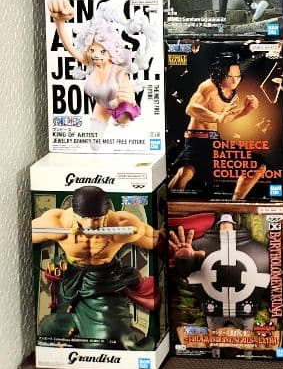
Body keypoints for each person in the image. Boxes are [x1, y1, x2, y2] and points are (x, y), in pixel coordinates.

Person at [32, 185, 160, 348]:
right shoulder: (59, 222)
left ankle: (108, 327)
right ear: (74, 213)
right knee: (53, 328)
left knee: (109, 341)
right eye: (84, 218)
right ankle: (71, 325)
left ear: (106, 213)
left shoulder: (120, 224)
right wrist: (56, 232)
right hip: (71, 278)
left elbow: (153, 240)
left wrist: (152, 236)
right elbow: (25, 234)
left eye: (97, 219)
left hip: (103, 281)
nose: (90, 224)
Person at [168, 52, 266, 200]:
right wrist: (217, 117)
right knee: (185, 173)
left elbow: (225, 119)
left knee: (258, 165)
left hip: (215, 141)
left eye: (238, 76)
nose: (235, 81)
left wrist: (245, 111)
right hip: (197, 140)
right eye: (230, 76)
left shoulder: (232, 95)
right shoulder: (209, 86)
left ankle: (235, 204)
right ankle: (169, 205)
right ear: (221, 73)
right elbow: (191, 108)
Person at [47, 0, 152, 134]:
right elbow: (69, 47)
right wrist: (59, 22)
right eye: (92, 50)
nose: (96, 55)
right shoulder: (91, 63)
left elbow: (127, 100)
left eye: (102, 51)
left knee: (121, 124)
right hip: (101, 107)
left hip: (119, 111)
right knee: (94, 139)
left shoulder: (118, 68)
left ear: (111, 51)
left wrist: (126, 103)